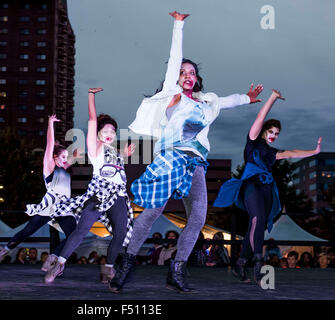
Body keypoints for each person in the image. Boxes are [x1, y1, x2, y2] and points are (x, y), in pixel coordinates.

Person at [110, 11, 263, 293]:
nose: (187, 75)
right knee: (153, 212)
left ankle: (176, 270)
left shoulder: (207, 102)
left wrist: (247, 98)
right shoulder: (172, 94)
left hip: (196, 165)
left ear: (198, 78)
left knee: (198, 218)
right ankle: (126, 263)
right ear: (176, 77)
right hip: (171, 160)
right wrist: (178, 24)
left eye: (192, 72)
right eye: (183, 72)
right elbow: (174, 56)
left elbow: (227, 101)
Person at [214, 89, 322, 284]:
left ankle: (241, 263)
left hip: (267, 189)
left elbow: (291, 153)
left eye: (277, 134)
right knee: (258, 219)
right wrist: (272, 98)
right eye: (271, 131)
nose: (274, 135)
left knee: (257, 225)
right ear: (264, 130)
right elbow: (260, 115)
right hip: (251, 186)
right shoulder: (253, 141)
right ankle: (258, 261)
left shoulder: (272, 152)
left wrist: (314, 151)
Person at [44, 88, 136, 285]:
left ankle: (108, 268)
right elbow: (92, 120)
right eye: (105, 131)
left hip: (118, 195)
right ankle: (59, 264)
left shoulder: (116, 152)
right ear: (99, 134)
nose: (110, 133)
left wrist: (126, 153)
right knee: (81, 230)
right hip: (99, 194)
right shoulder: (95, 148)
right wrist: (91, 96)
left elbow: (117, 158)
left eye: (113, 131)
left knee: (121, 233)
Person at [0, 114, 81, 272]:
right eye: (63, 157)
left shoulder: (65, 169)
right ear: (54, 157)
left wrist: (75, 154)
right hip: (49, 206)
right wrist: (50, 123)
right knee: (27, 231)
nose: (66, 160)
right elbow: (50, 143)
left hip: (64, 208)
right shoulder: (49, 166)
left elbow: (71, 159)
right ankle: (2, 253)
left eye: (66, 157)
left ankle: (52, 259)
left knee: (73, 235)